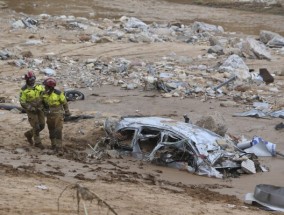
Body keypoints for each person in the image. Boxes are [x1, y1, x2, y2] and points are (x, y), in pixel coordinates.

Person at [42, 77, 71, 151]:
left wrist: (67, 112)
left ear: (50, 87)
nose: (44, 87)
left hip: (58, 114)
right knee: (51, 129)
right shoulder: (43, 94)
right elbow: (42, 103)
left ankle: (59, 146)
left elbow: (64, 103)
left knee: (58, 130)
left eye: (45, 86)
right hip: (49, 115)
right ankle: (53, 145)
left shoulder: (58, 93)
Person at [19, 71, 45, 149]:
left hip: (40, 108)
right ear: (27, 80)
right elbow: (22, 101)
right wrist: (30, 108)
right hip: (31, 111)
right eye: (30, 79)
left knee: (42, 125)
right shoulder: (24, 90)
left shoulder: (39, 86)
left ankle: (28, 134)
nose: (32, 80)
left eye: (33, 78)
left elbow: (44, 95)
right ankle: (38, 143)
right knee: (36, 126)